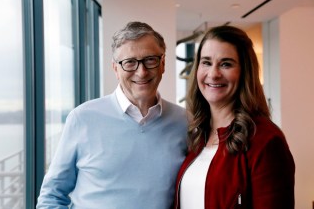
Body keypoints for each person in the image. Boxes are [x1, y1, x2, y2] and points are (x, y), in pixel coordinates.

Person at [37, 21, 189, 209]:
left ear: (163, 63)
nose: (141, 72)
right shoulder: (82, 118)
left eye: (150, 60)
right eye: (130, 62)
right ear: (115, 68)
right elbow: (51, 197)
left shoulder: (185, 122)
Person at [174, 25, 295, 209]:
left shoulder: (266, 141)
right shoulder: (196, 135)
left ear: (245, 72)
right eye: (206, 62)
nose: (213, 74)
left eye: (226, 64)